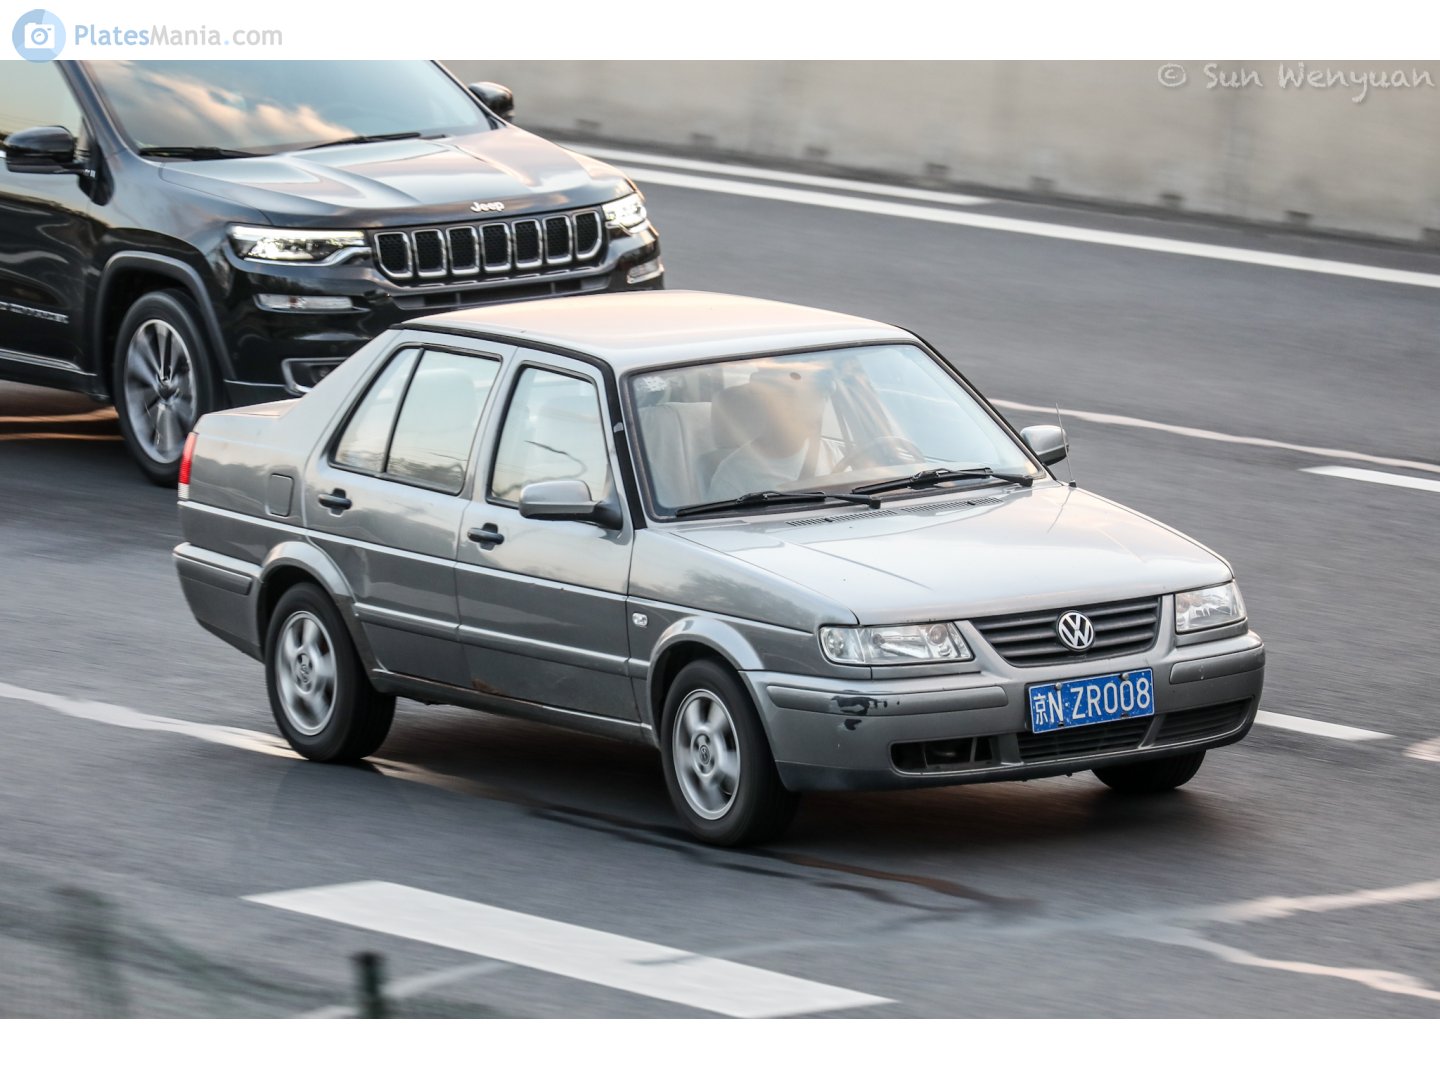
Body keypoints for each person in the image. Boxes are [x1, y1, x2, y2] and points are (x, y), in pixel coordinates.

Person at [707, 367, 840, 500]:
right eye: (791, 398)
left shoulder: (832, 453)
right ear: (767, 406)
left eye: (817, 398)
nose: (808, 410)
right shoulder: (733, 476)